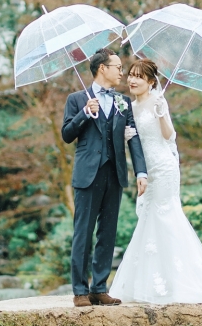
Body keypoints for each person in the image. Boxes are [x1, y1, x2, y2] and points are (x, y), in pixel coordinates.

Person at [109, 59, 202, 304]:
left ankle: (178, 280)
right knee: (148, 219)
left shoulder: (158, 101)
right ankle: (151, 281)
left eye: (138, 77)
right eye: (131, 75)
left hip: (164, 167)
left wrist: (162, 114)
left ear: (151, 81)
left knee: (165, 215)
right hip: (145, 169)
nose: (132, 80)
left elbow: (168, 136)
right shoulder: (128, 107)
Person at [61, 49, 148, 308]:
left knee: (108, 233)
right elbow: (66, 134)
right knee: (83, 233)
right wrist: (85, 113)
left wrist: (140, 171)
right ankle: (79, 290)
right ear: (102, 69)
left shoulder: (123, 102)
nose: (122, 72)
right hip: (87, 175)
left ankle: (99, 288)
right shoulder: (76, 99)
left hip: (115, 173)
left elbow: (133, 137)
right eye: (118, 67)